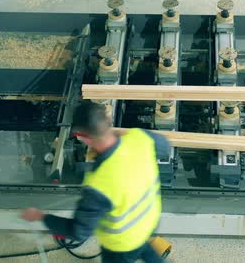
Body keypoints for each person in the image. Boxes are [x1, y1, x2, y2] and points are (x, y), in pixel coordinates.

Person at [22, 101, 171, 263]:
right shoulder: (140, 138)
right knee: (146, 250)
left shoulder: (99, 184)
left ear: (83, 137)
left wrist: (41, 217)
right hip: (148, 223)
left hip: (121, 244)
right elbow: (164, 147)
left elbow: (79, 232)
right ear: (108, 119)